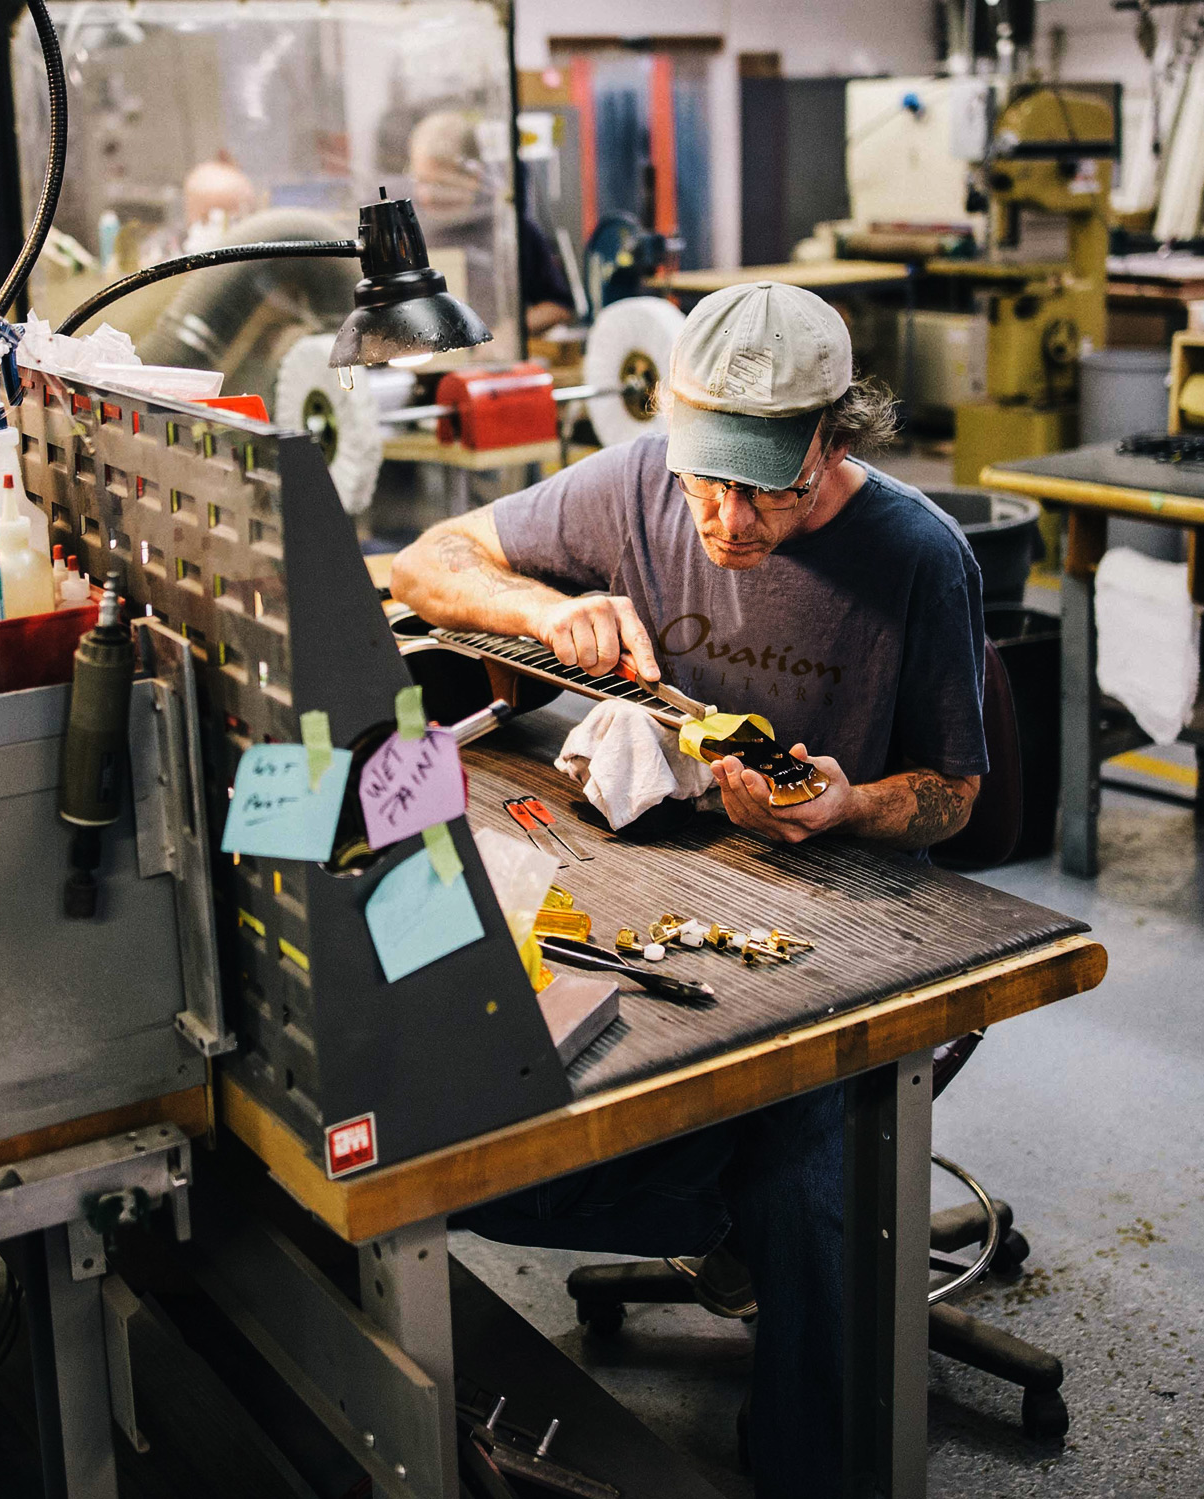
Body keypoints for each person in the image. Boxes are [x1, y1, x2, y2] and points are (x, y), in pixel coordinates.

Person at [390, 281, 988, 1499]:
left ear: (832, 439)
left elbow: (955, 795)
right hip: (664, 874)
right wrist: (549, 610)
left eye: (762, 487)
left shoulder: (921, 556)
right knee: (477, 1112)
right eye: (705, 479)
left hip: (846, 916)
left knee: (806, 1156)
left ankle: (816, 1460)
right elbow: (425, 561)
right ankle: (734, 1223)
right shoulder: (636, 485)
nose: (722, 519)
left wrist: (850, 805)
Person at [408, 110, 575, 337]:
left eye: (440, 184)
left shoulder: (511, 231)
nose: (426, 196)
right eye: (421, 181)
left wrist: (508, 334)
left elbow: (558, 306)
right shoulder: (408, 234)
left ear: (473, 176)